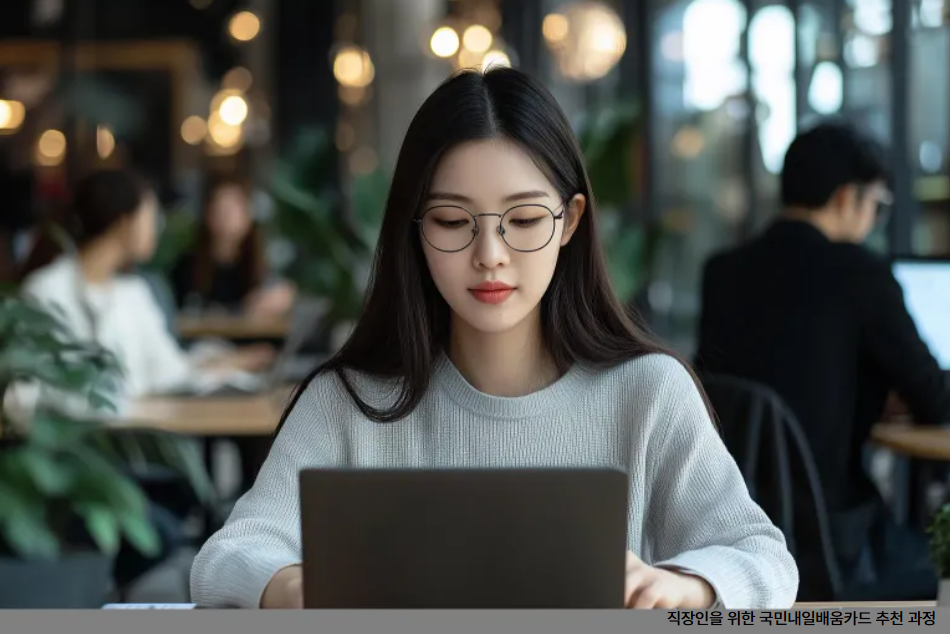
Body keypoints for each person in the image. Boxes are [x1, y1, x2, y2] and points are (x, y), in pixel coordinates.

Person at [190, 68, 798, 610]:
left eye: (526, 220)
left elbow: (764, 559)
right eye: (453, 221)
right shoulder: (351, 402)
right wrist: (293, 587)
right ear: (416, 229)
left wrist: (687, 587)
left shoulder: (646, 393)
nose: (490, 256)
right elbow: (227, 558)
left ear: (571, 222)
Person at [695, 121, 950, 600]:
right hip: (832, 542)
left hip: (725, 530)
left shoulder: (722, 273)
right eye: (877, 204)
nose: (873, 218)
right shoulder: (860, 274)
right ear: (846, 198)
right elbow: (935, 399)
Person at [19, 169, 274, 400]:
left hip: (134, 436)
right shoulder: (47, 290)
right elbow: (36, 391)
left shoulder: (133, 293)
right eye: (151, 216)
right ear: (124, 222)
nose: (156, 228)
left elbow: (168, 370)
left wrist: (230, 362)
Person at [171, 174, 295, 317]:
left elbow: (284, 294)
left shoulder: (264, 261)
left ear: (248, 215)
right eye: (220, 208)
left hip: (257, 338)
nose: (226, 216)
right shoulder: (186, 265)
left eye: (233, 208)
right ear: (208, 214)